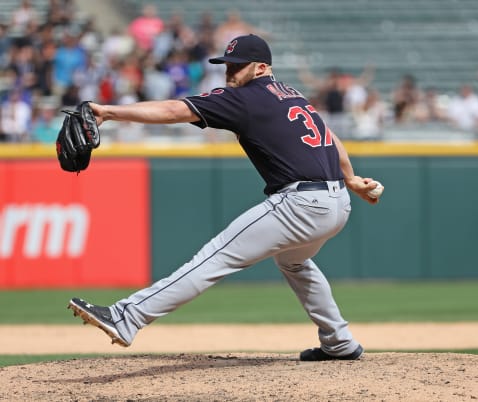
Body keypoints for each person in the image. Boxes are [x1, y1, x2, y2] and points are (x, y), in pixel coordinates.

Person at [68, 34, 381, 361]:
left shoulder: (244, 98)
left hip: (302, 204)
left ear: (261, 68)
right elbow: (330, 136)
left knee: (214, 257)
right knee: (294, 260)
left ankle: (126, 317)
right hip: (336, 202)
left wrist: (108, 111)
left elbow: (176, 109)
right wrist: (351, 179)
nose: (230, 72)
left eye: (238, 66)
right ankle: (339, 342)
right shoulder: (292, 94)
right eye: (226, 65)